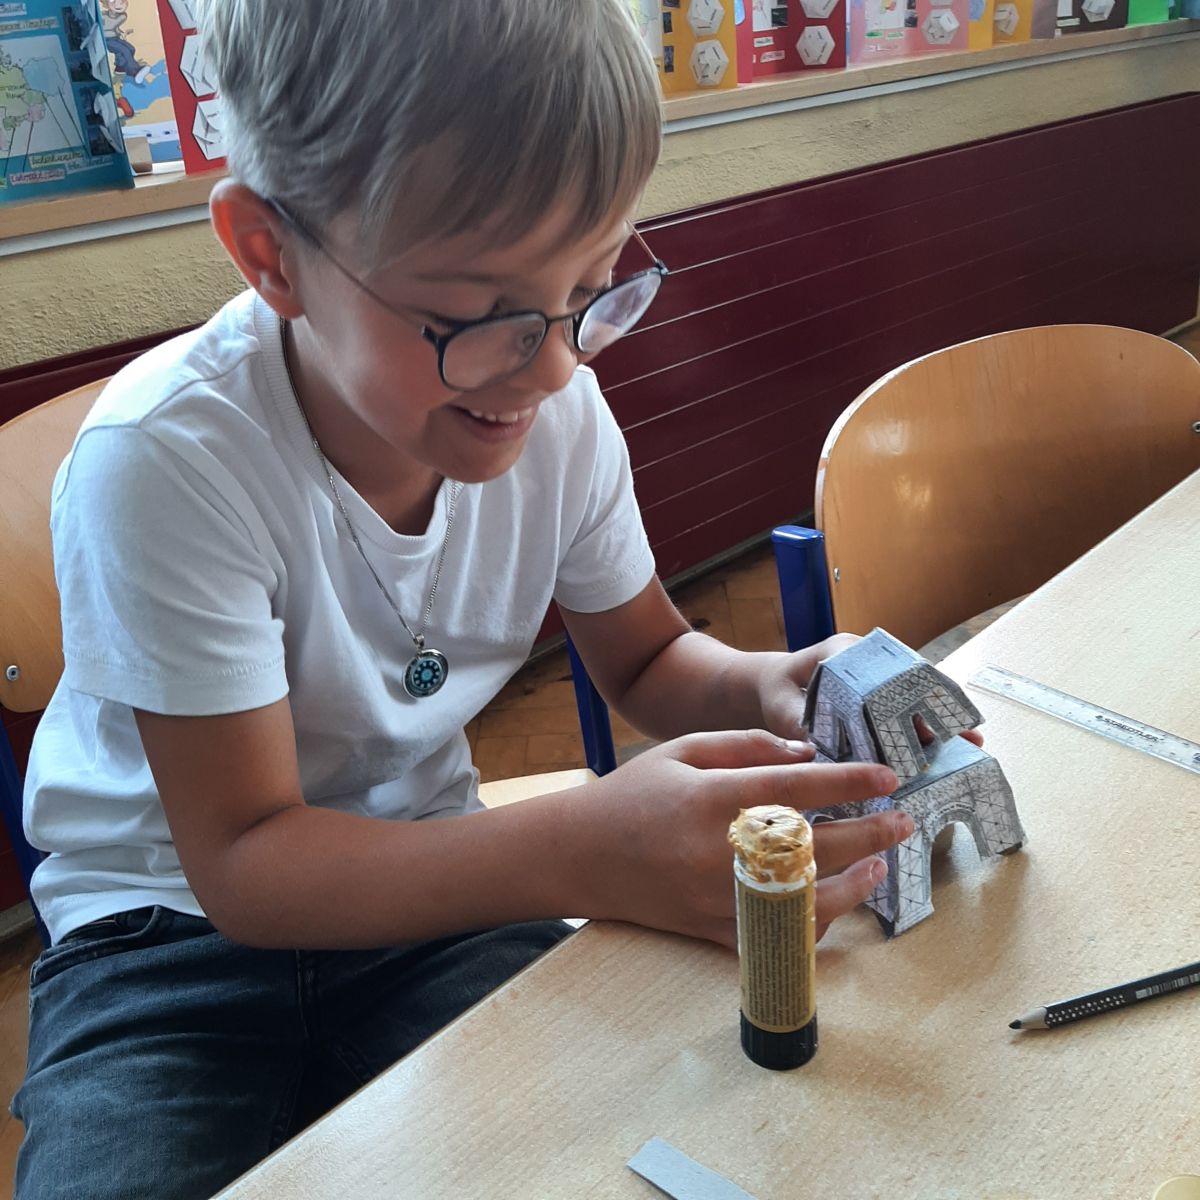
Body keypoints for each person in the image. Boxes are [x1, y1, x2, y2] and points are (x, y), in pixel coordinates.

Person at [12, 3, 910, 1197]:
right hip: (169, 941)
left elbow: (645, 661)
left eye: (593, 286)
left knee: (650, 1150)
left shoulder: (555, 406)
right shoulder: (168, 459)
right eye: (484, 313)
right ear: (272, 254)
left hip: (439, 882)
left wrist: (769, 684)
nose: (555, 365)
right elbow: (245, 862)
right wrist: (589, 849)